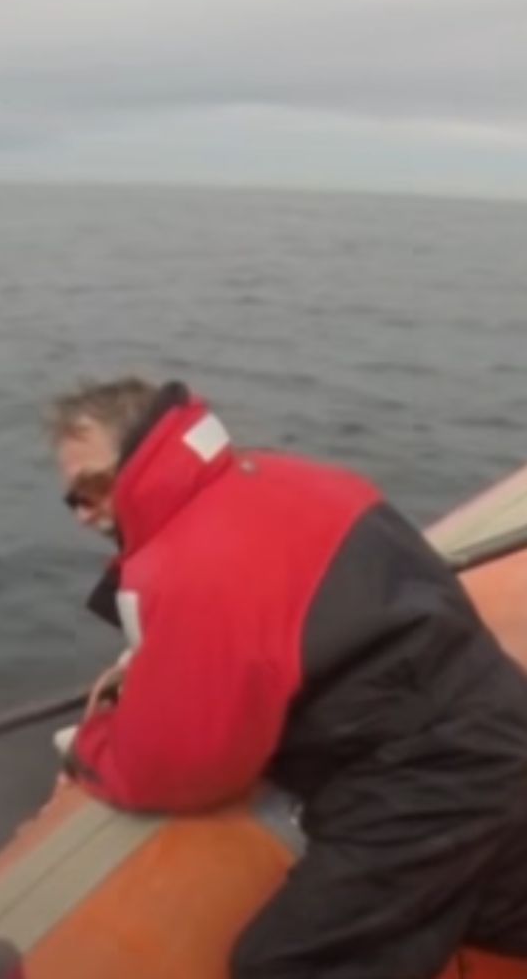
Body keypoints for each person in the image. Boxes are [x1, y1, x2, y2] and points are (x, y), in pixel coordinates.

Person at [48, 374, 527, 979]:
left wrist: (91, 749)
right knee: (495, 909)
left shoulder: (184, 568)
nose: (84, 515)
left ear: (140, 459)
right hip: (496, 716)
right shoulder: (293, 478)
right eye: (72, 500)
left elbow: (183, 767)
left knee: (283, 962)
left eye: (92, 488)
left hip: (424, 781)